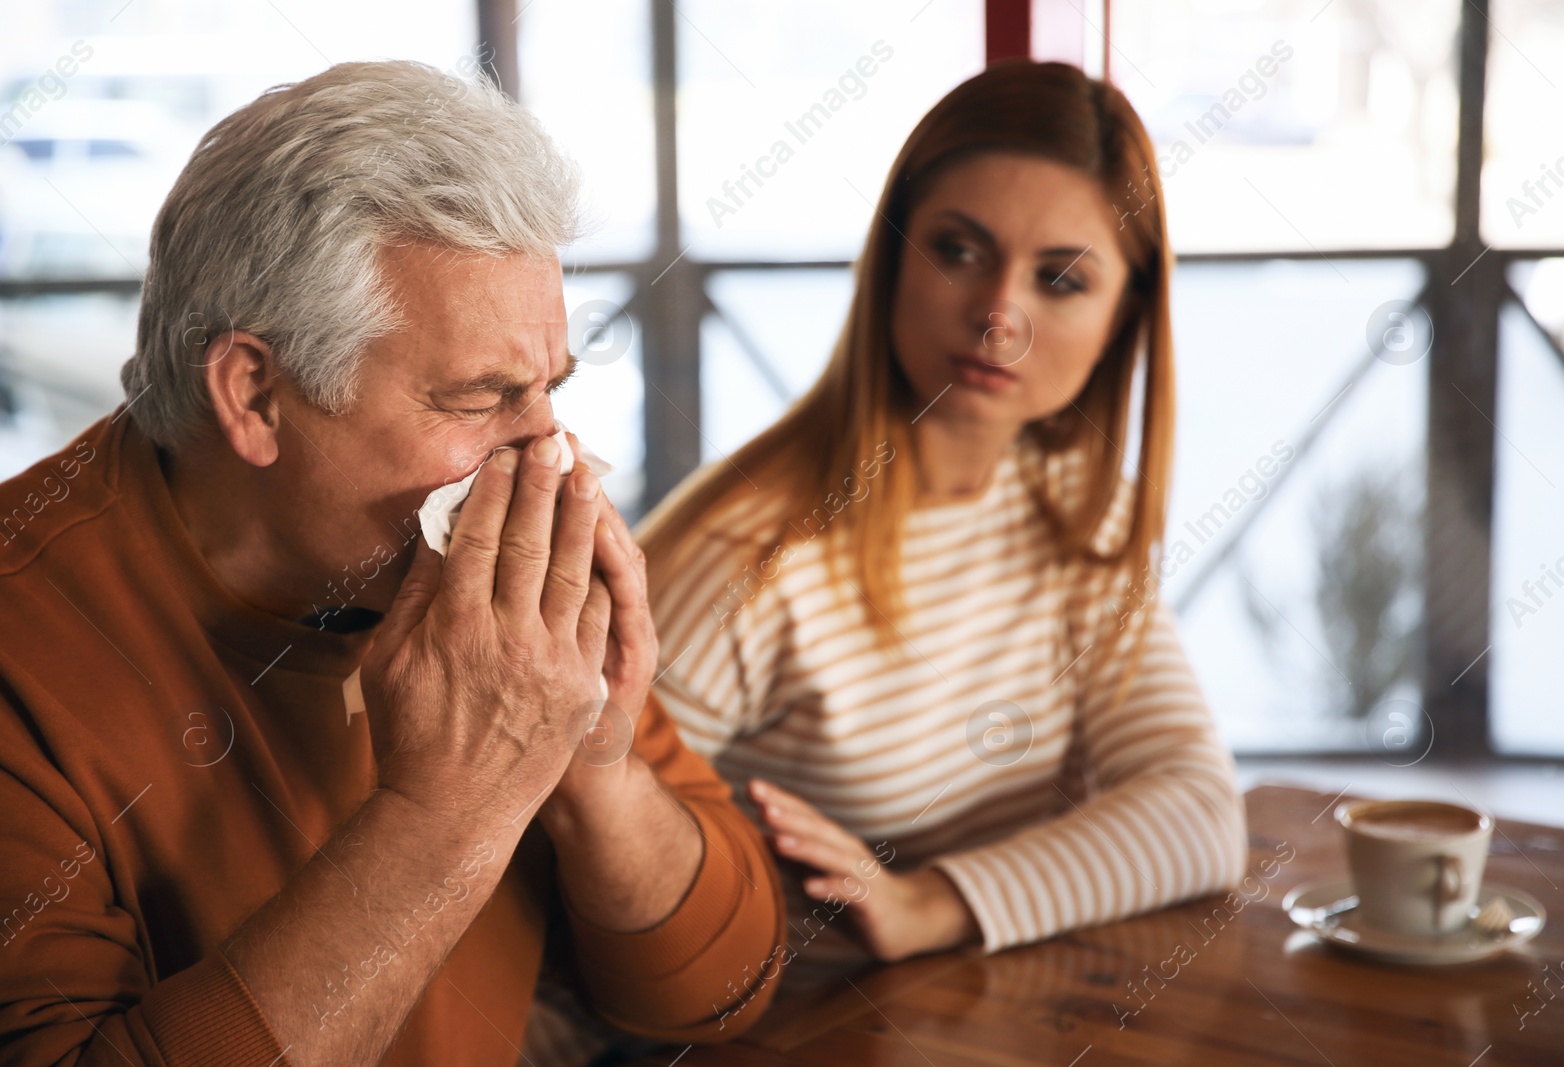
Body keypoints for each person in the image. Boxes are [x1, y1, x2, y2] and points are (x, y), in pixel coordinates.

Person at [0, 61, 783, 1066]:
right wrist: (445, 809)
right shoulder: (30, 648)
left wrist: (592, 758)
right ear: (253, 395)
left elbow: (721, 994)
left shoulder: (494, 592)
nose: (549, 453)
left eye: (548, 389)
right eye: (476, 398)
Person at [639, 60, 1246, 984]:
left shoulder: (1075, 511)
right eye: (958, 250)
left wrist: (928, 903)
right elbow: (567, 872)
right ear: (890, 259)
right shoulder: (750, 555)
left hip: (951, 1012)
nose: (1000, 314)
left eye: (1061, 279)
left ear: (1125, 316)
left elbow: (1199, 813)